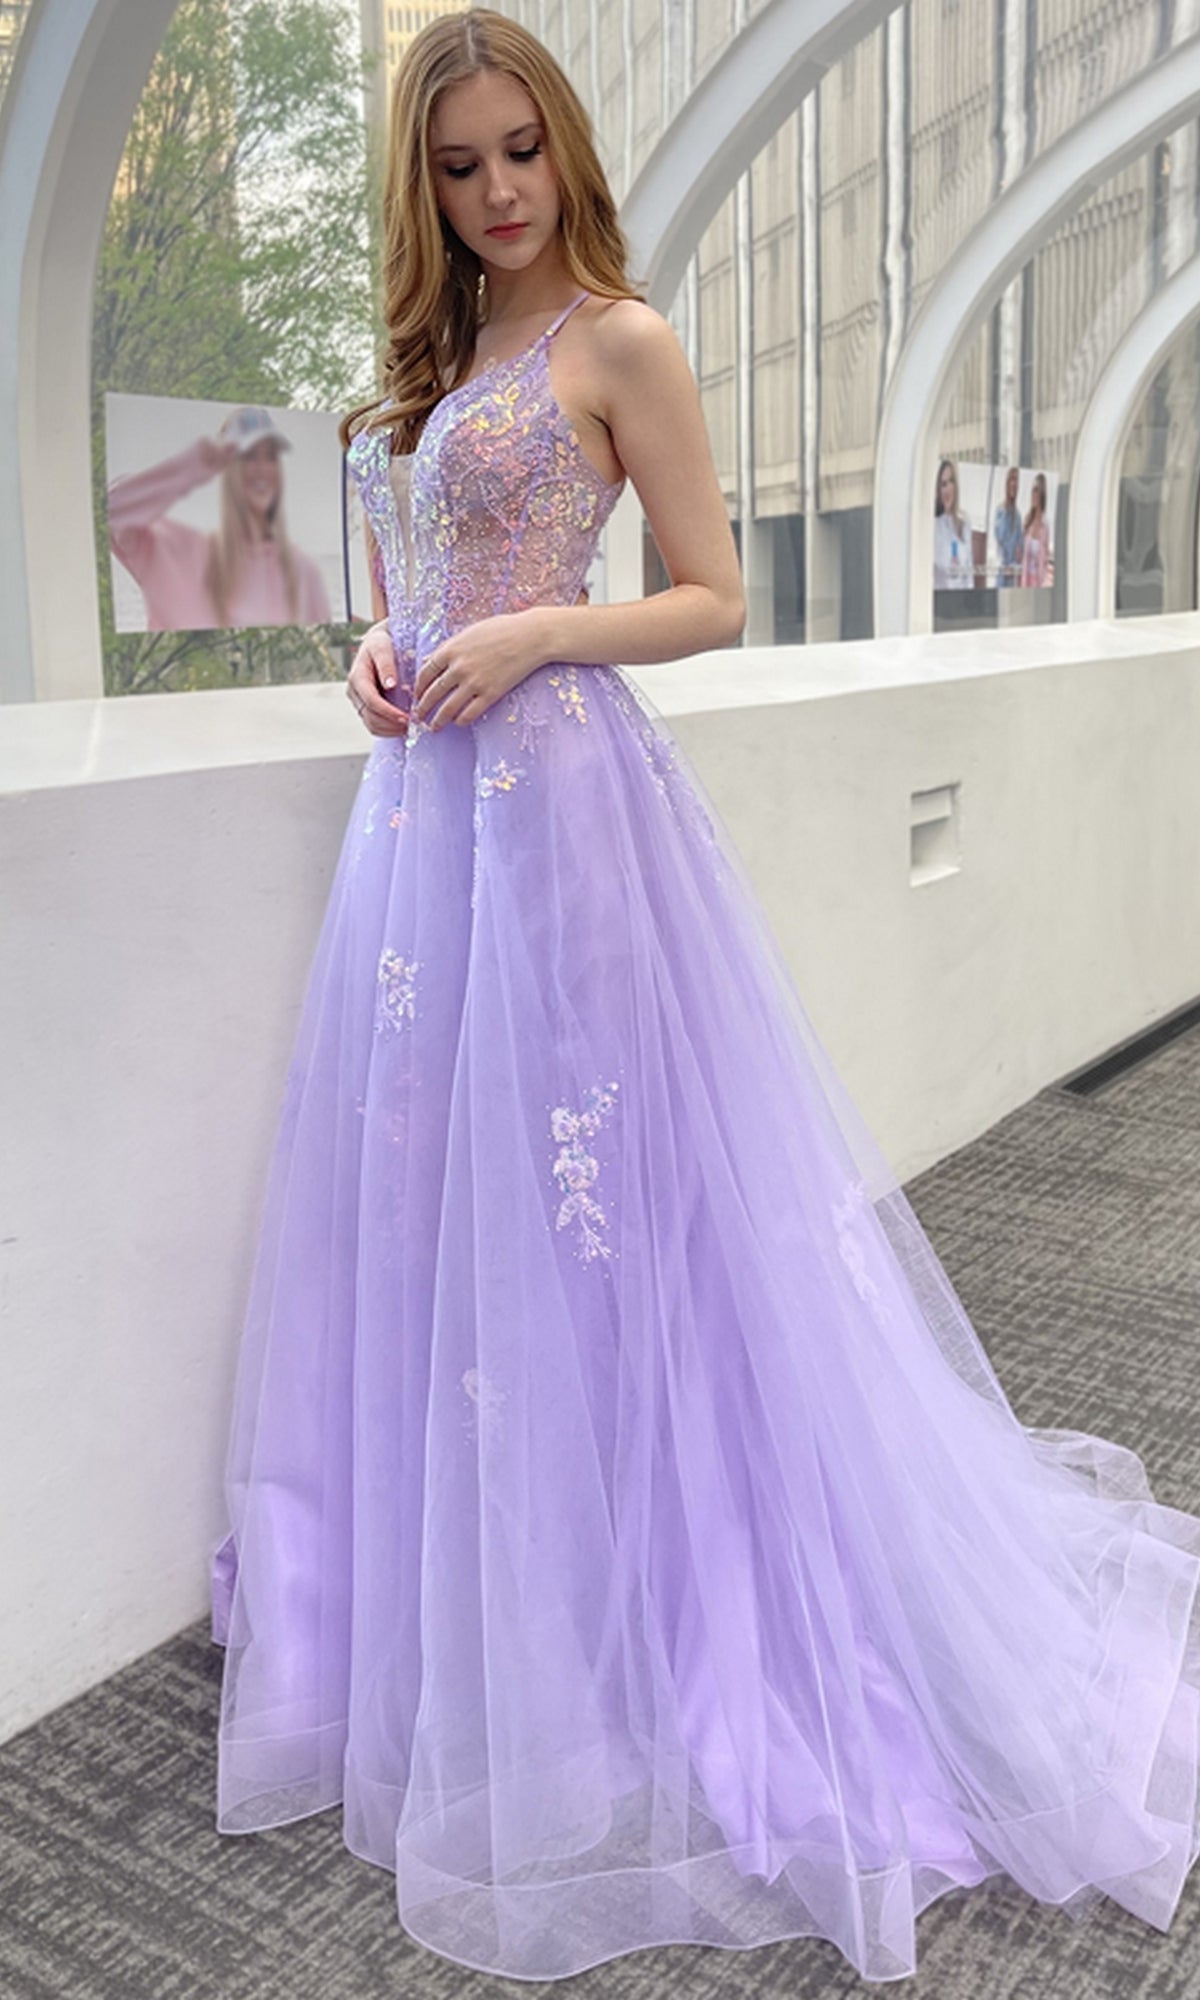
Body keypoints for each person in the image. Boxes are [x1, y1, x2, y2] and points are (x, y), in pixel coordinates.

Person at [209, 9, 1200, 1987]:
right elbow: (391, 602)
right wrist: (374, 667)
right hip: (418, 846)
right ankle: (474, 1609)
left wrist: (534, 633)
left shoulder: (617, 345)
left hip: (565, 822)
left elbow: (716, 593)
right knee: (430, 1215)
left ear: (565, 149)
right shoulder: (423, 371)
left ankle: (656, 1613)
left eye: (520, 153)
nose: (498, 191)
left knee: (598, 1213)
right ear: (422, 194)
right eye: (459, 167)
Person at [107, 405, 331, 630]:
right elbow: (112, 510)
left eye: (270, 457)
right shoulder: (178, 553)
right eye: (249, 456)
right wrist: (194, 464)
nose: (262, 468)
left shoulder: (304, 572)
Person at [932, 456, 974, 588]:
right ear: (938, 490)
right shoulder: (934, 525)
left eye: (951, 481)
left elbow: (969, 572)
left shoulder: (965, 521)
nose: (948, 489)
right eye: (943, 484)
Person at [993, 465, 1024, 586]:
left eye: (1016, 480)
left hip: (1012, 577)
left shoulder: (1018, 517)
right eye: (1011, 479)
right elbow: (1000, 538)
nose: (1013, 484)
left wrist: (1015, 566)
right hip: (1001, 574)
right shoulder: (1000, 511)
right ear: (1007, 483)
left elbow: (1019, 551)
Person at [1022, 471, 1053, 588]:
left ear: (1042, 495)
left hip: (1039, 582)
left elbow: (1046, 560)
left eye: (1037, 491)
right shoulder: (1028, 521)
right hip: (1026, 581)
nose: (1033, 495)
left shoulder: (1045, 527)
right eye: (1033, 491)